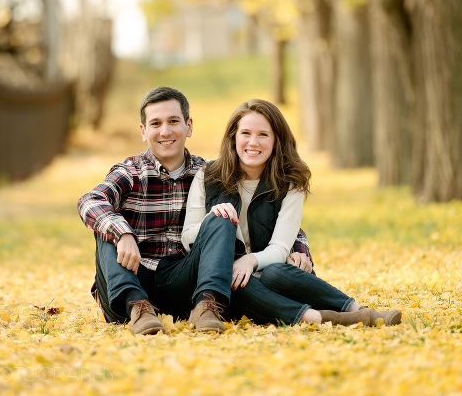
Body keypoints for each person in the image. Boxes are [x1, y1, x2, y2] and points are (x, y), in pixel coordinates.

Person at [78, 87, 315, 335]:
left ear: (189, 126)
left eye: (173, 121)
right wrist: (123, 234)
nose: (165, 131)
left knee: (221, 215)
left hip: (184, 281)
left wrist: (298, 249)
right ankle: (138, 306)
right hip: (130, 282)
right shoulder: (131, 172)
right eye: (156, 123)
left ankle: (207, 305)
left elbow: (263, 218)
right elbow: (90, 200)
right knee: (106, 224)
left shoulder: (210, 174)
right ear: (143, 131)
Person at [182, 99, 402, 327]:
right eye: (245, 133)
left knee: (275, 273)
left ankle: (359, 310)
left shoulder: (290, 182)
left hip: (267, 270)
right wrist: (213, 220)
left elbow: (280, 247)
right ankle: (323, 318)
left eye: (263, 135)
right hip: (226, 281)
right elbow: (187, 239)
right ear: (233, 137)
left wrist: (250, 260)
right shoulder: (208, 176)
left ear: (277, 140)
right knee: (233, 279)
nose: (253, 142)